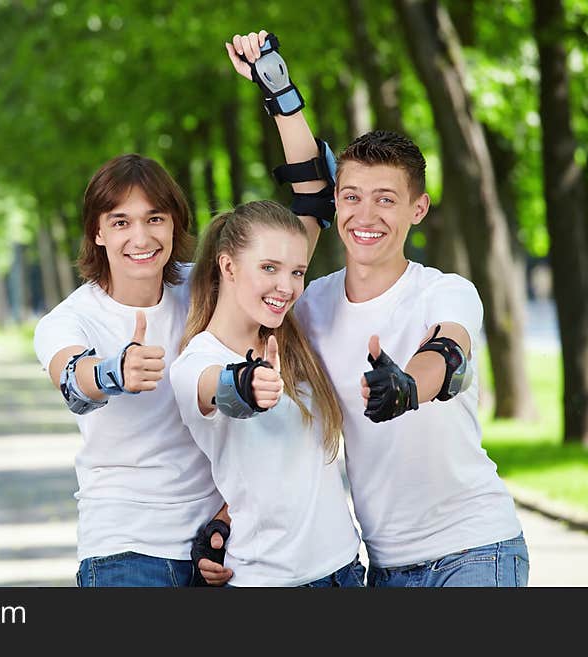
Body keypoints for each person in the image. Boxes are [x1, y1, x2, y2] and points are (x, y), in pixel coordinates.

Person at [198, 30, 529, 588]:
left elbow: (447, 352)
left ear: (418, 209)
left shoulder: (446, 291)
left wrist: (407, 387)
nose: (365, 214)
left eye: (386, 199)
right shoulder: (311, 304)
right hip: (381, 567)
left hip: (476, 548)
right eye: (351, 196)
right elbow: (305, 193)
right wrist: (279, 91)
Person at [32, 153, 226, 586]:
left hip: (217, 543)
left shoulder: (205, 290)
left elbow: (287, 250)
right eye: (121, 222)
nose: (141, 237)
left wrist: (282, 102)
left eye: (154, 218)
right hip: (126, 547)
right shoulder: (69, 319)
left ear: (175, 224)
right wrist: (113, 371)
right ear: (97, 232)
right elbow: (72, 379)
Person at [170, 199, 364, 587]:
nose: (287, 287)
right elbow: (218, 386)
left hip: (343, 570)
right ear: (228, 266)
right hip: (267, 580)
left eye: (297, 272)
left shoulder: (295, 342)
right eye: (269, 268)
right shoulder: (193, 363)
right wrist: (245, 384)